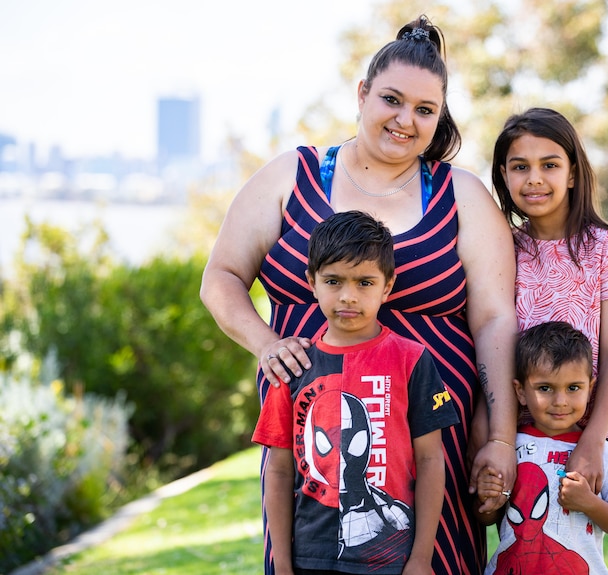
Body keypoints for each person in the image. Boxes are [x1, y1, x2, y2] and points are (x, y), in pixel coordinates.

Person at [200, 15, 519, 575]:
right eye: (392, 100)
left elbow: (494, 321)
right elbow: (221, 277)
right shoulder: (291, 177)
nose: (406, 120)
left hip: (430, 447)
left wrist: (497, 435)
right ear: (362, 94)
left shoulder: (462, 195)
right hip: (314, 447)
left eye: (425, 110)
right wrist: (267, 344)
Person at [251, 210, 460, 575]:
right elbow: (279, 471)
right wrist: (280, 564)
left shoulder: (412, 360)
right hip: (308, 559)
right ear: (311, 282)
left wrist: (421, 558)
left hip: (390, 561)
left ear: (387, 286)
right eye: (333, 281)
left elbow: (430, 461)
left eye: (364, 283)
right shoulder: (293, 366)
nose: (348, 296)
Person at [489, 107, 608, 498]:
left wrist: (592, 443)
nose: (534, 178)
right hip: (517, 434)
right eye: (520, 167)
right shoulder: (501, 247)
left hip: (583, 434)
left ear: (572, 173)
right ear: (504, 176)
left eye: (550, 165)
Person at [476, 321, 608, 575]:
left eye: (573, 388)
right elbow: (487, 519)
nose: (560, 401)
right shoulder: (510, 450)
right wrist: (487, 496)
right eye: (545, 388)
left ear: (590, 388)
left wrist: (589, 503)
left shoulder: (602, 455)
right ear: (520, 392)